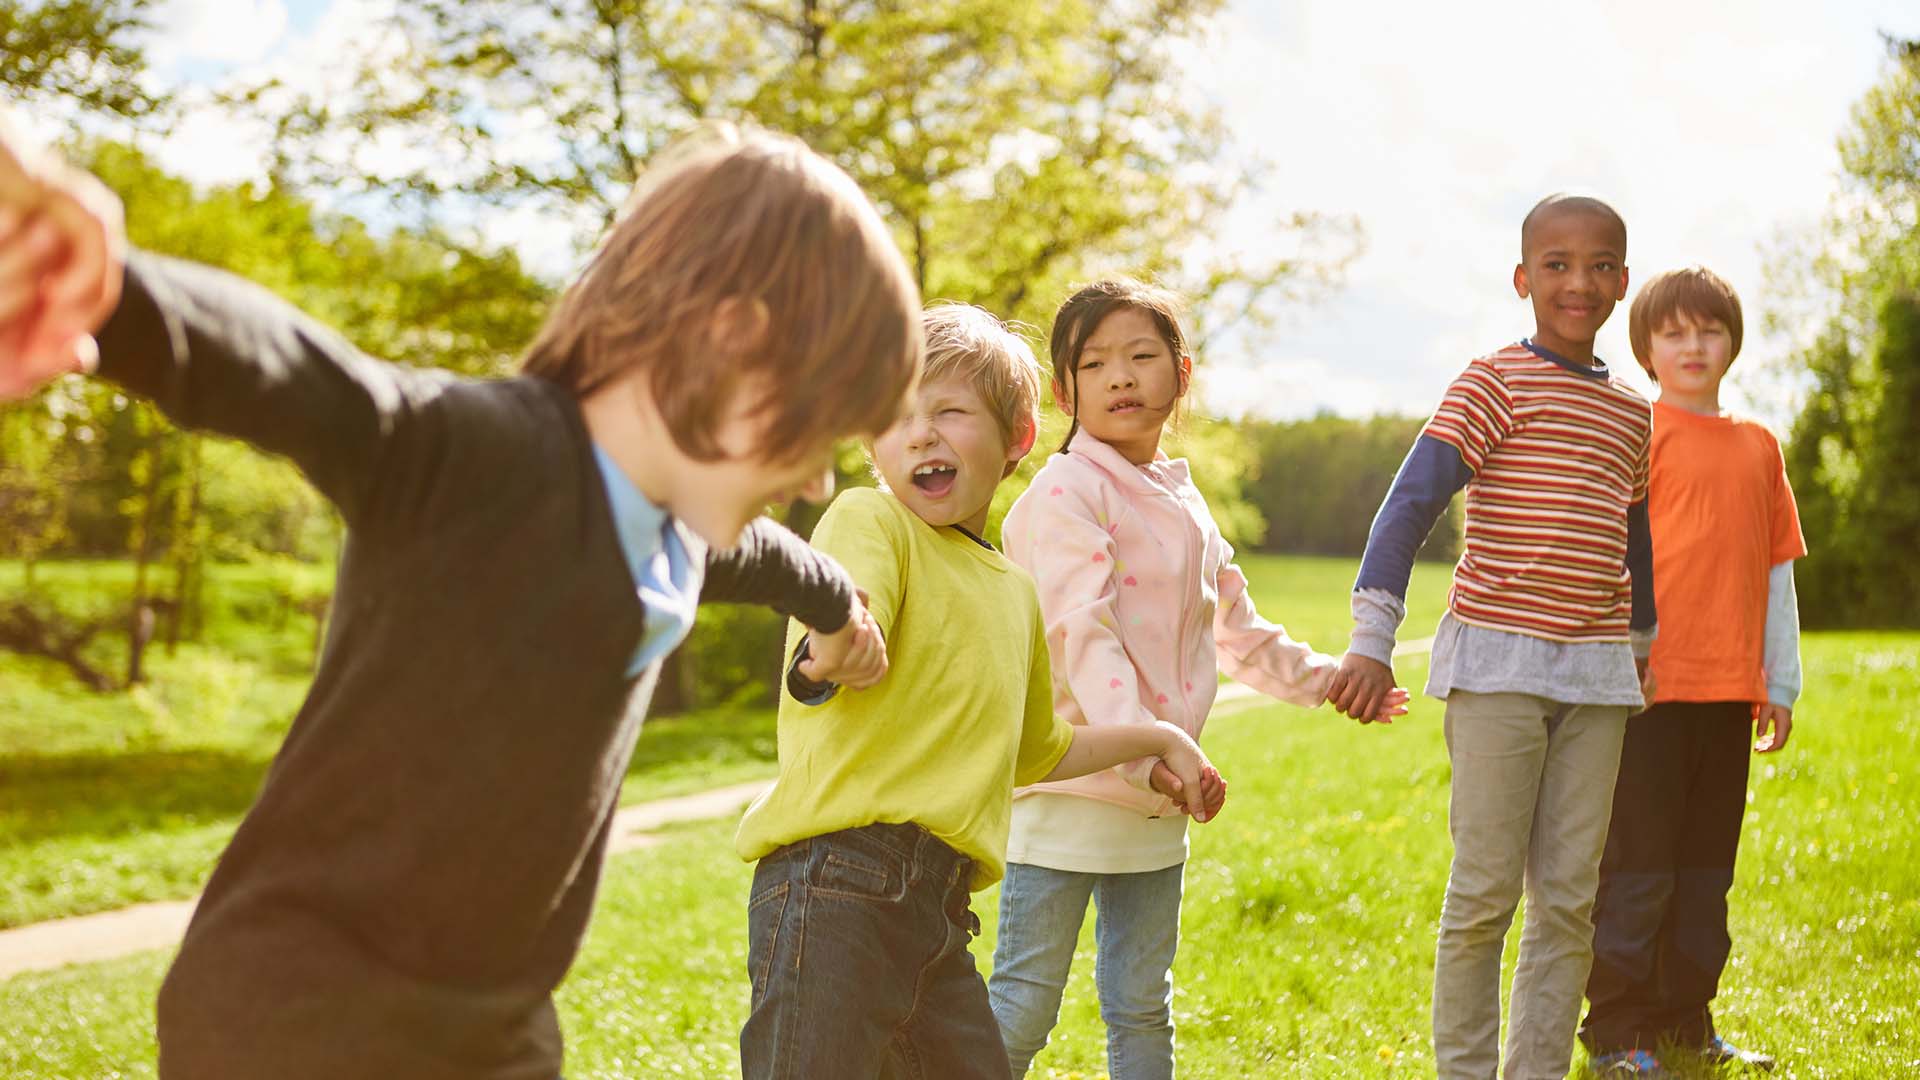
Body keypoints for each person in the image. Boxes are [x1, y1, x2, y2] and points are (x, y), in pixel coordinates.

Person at [0, 117, 922, 1080]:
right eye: (816, 431)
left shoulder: (681, 534)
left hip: (486, 1025)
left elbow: (769, 559)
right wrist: (110, 293)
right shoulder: (484, 459)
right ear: (733, 340)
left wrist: (839, 609)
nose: (816, 480)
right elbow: (303, 380)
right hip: (302, 1011)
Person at [734, 302, 1226, 1079]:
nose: (921, 435)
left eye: (950, 412)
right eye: (897, 418)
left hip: (939, 909)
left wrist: (1160, 738)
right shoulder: (872, 521)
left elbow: (1040, 750)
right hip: (835, 888)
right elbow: (848, 610)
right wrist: (838, 639)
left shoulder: (1010, 588)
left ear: (1017, 437)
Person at [986, 278, 1406, 1079]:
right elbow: (1084, 638)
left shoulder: (1182, 500)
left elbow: (1237, 629)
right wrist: (1147, 752)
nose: (1119, 377)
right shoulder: (1064, 493)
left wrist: (1329, 682)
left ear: (1181, 375)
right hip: (1069, 791)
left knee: (1142, 1004)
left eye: (1141, 357)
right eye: (1094, 363)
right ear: (1064, 391)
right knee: (1024, 1006)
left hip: (1161, 796)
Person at [1326, 194, 1658, 1080]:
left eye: (1599, 266)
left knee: (1569, 902)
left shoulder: (1634, 414)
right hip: (1498, 664)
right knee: (1483, 895)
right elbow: (1410, 506)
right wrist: (1371, 636)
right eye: (1557, 264)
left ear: (1623, 282)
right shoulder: (1492, 382)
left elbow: (1634, 538)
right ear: (1522, 278)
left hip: (1597, 679)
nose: (1578, 282)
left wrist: (1643, 646)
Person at [1579, 267, 1804, 1078]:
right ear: (1645, 349)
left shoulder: (1759, 446)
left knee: (1706, 874)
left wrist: (1781, 683)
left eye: (1708, 330)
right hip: (1646, 693)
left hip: (1729, 694)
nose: (1692, 346)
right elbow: (1606, 555)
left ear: (1732, 343)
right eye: (1672, 333)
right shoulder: (1637, 433)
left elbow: (1777, 572)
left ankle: (1687, 1023)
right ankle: (1618, 1031)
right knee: (1637, 870)